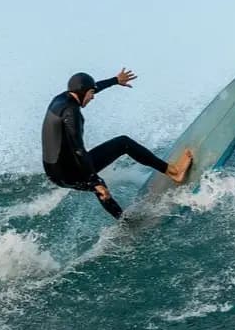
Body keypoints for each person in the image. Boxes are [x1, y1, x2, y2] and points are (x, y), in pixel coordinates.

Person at [42, 68, 193, 219]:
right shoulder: (72, 113)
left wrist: (115, 80)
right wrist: (95, 180)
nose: (92, 98)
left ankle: (124, 221)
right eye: (91, 94)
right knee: (123, 143)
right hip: (68, 173)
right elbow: (79, 150)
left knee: (97, 184)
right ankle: (174, 172)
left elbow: (93, 88)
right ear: (83, 92)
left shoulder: (61, 99)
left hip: (54, 173)